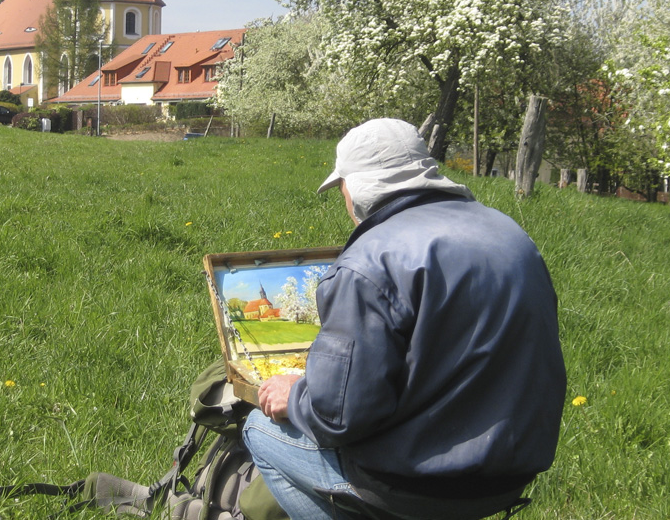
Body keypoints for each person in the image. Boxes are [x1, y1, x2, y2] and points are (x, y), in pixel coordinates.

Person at [242, 118, 566, 520]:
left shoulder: (369, 262)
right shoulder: (511, 235)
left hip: (417, 486)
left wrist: (293, 395)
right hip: (507, 476)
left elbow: (339, 418)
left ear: (356, 187)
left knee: (257, 429)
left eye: (342, 185)